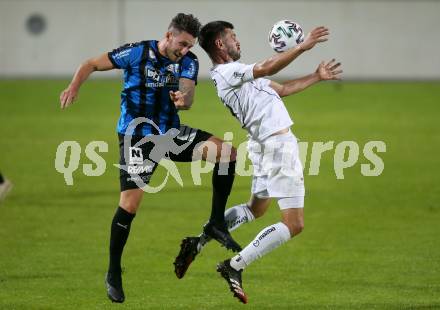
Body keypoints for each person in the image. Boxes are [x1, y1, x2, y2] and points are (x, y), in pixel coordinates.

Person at [59, 14, 242, 303]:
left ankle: (216, 222)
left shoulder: (188, 60)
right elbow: (91, 64)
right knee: (129, 206)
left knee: (227, 155)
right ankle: (113, 271)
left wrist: (184, 99)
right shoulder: (136, 52)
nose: (184, 50)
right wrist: (74, 86)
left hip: (170, 134)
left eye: (189, 45)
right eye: (181, 43)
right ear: (168, 35)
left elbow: (189, 93)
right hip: (138, 138)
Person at [174, 21, 342, 303]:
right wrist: (303, 46)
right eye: (232, 37)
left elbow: (282, 89)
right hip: (278, 147)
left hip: (263, 145)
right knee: (294, 223)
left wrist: (316, 76)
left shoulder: (238, 75)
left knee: (256, 209)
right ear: (219, 44)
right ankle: (234, 265)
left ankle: (198, 242)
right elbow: (267, 67)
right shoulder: (229, 72)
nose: (237, 41)